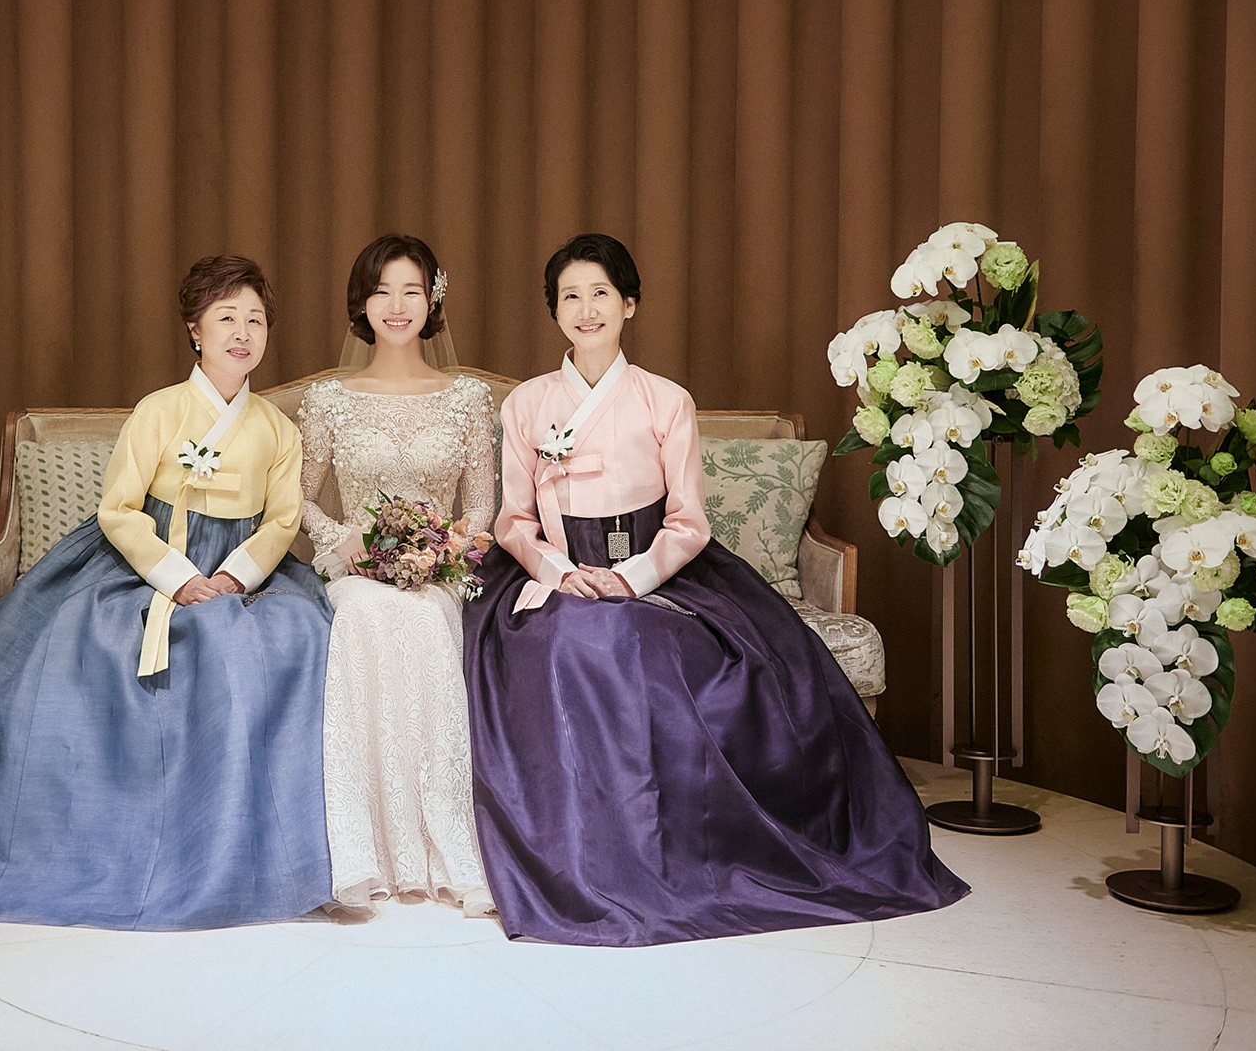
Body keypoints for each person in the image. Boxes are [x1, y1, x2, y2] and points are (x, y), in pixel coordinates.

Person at [463, 233, 969, 946]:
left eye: (601, 292)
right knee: (567, 639)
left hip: (657, 564)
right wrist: (559, 571)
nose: (586, 308)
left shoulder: (666, 400)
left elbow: (689, 522)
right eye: (570, 296)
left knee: (646, 637)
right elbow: (513, 519)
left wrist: (629, 577)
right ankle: (582, 853)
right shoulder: (526, 403)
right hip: (554, 568)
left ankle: (667, 850)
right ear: (554, 310)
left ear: (630, 304)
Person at [0, 256, 334, 929]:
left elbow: (282, 520)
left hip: (241, 569)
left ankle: (262, 851)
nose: (242, 332)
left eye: (255, 320)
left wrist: (230, 578)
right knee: (69, 641)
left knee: (302, 632)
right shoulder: (158, 410)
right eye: (226, 317)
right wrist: (179, 577)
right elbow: (119, 510)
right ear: (195, 329)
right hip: (142, 562)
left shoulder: (279, 429)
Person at [296, 235, 498, 917]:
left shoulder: (468, 399)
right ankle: (366, 851)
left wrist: (443, 548)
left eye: (412, 289)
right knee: (360, 613)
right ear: (362, 302)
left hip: (436, 572)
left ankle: (442, 841)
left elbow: (482, 506)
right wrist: (344, 541)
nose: (397, 305)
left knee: (427, 616)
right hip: (356, 572)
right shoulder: (328, 400)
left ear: (433, 299)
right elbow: (297, 497)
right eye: (382, 290)